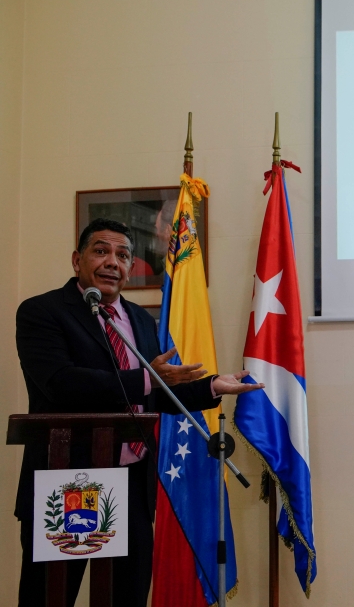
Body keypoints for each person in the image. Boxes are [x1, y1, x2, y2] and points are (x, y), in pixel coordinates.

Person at [14, 218, 264, 607]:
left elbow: (154, 393)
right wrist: (148, 381)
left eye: (123, 255)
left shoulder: (141, 321)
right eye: (101, 251)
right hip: (70, 482)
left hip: (131, 484)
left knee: (127, 594)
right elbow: (62, 383)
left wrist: (212, 385)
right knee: (51, 595)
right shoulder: (41, 312)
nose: (113, 261)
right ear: (77, 259)